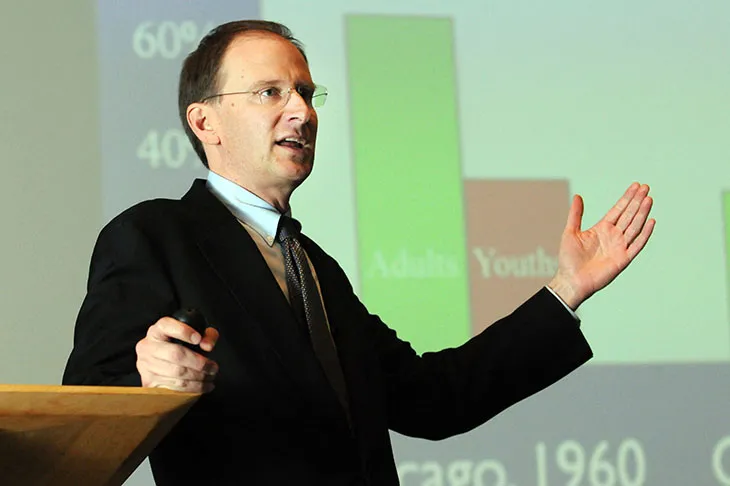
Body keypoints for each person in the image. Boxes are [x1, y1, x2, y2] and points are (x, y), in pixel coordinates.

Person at [62, 20, 655, 485]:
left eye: (305, 92)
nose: (302, 111)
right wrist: (145, 383)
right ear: (205, 121)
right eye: (270, 92)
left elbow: (433, 400)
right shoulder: (152, 236)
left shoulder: (314, 266)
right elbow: (85, 416)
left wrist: (565, 290)